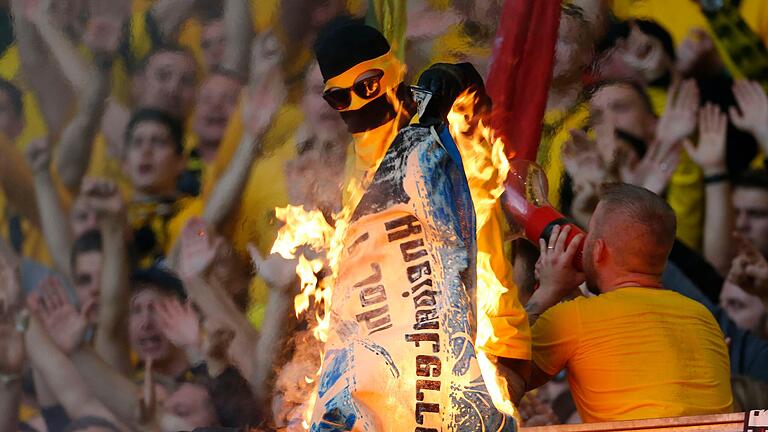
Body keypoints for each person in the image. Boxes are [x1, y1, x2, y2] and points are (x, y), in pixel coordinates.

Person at [526, 183, 733, 422]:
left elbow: (503, 377)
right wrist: (568, 291)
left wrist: (547, 293)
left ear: (598, 250)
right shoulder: (703, 317)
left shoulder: (575, 318)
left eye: (589, 234)